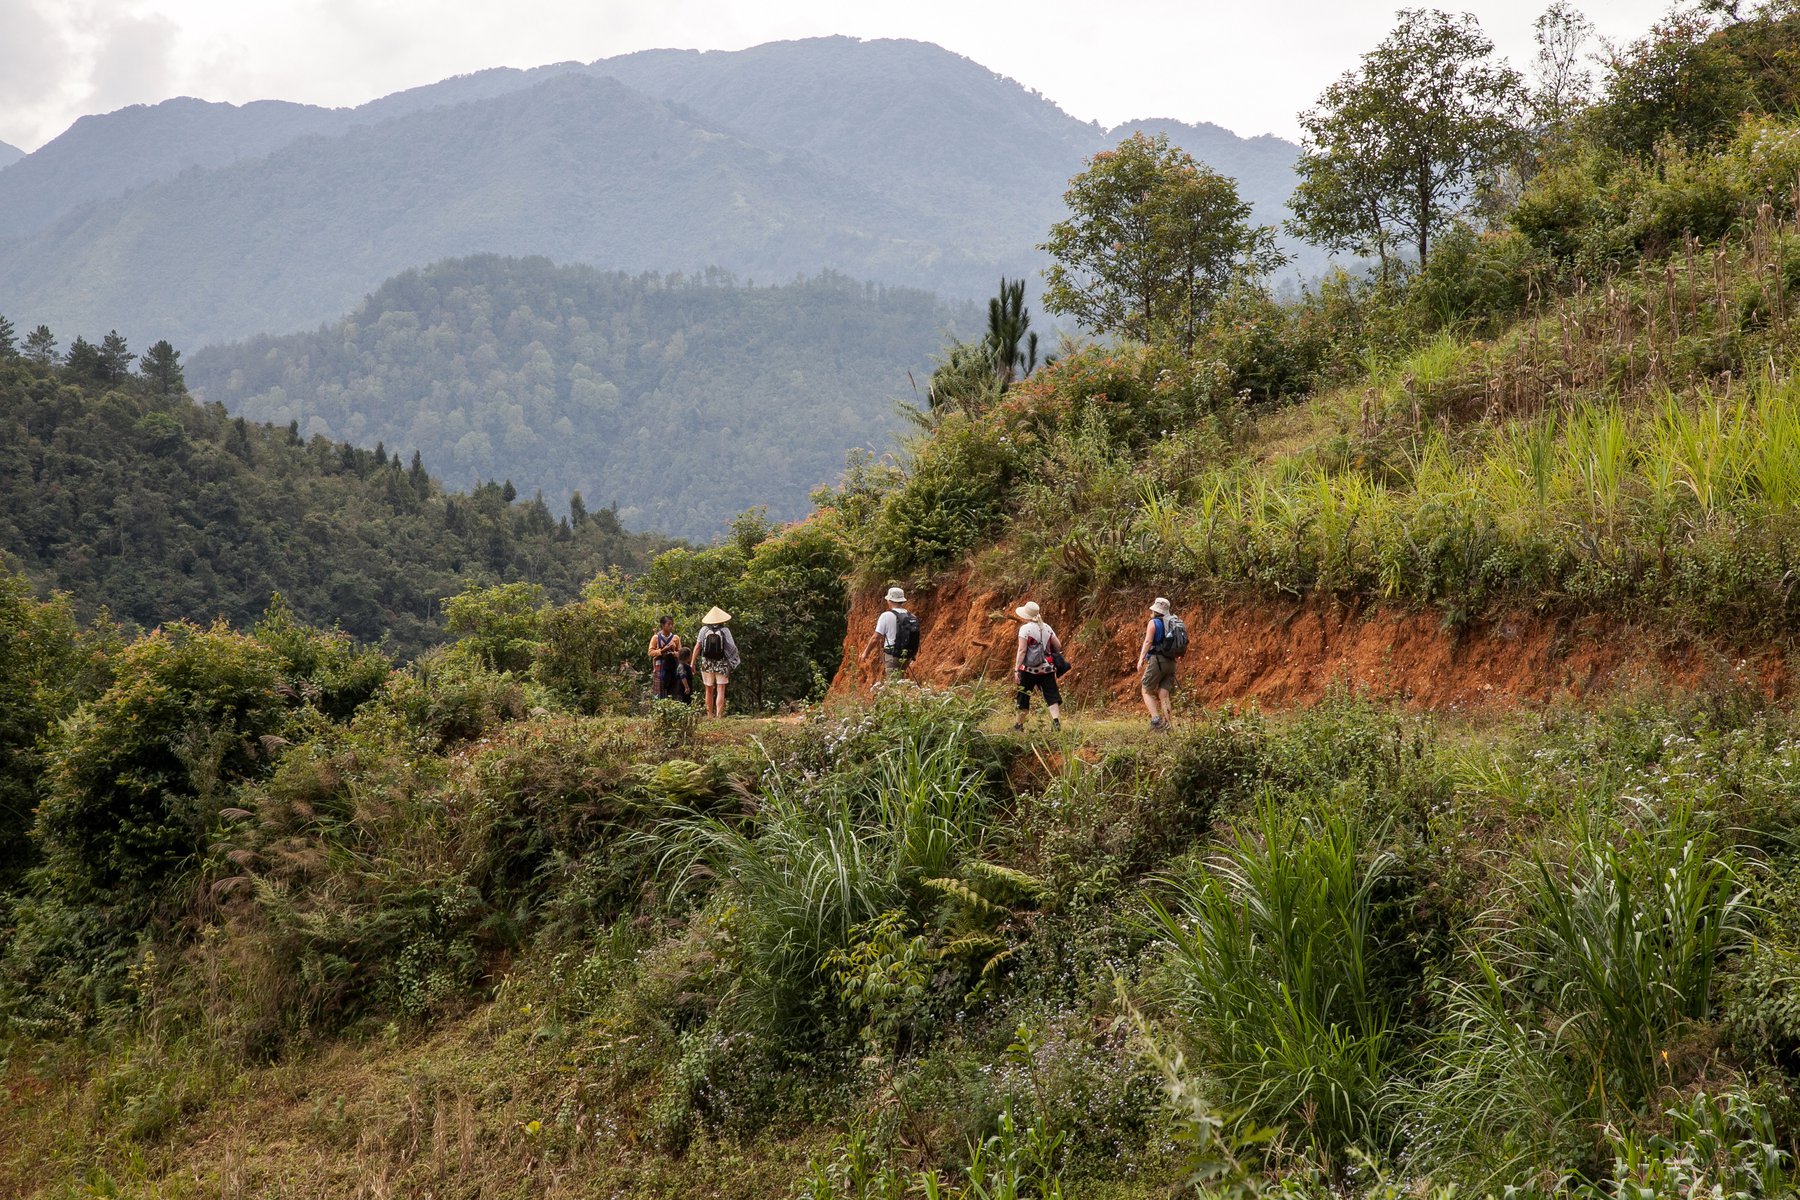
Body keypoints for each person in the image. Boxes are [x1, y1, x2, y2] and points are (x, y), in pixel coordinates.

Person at [1012, 600, 1063, 732]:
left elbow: (1022, 650)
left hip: (1029, 670)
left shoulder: (1025, 629)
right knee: (1051, 695)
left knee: (1023, 695)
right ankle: (1056, 722)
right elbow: (1058, 646)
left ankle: (1019, 726)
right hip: (1047, 669)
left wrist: (1017, 669)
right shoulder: (1046, 627)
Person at [1137, 597, 1183, 732]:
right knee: (1164, 694)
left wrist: (1141, 659)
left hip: (1157, 661)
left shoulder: (1154, 623)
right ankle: (1169, 725)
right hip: (1171, 662)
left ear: (1155, 610)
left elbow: (1148, 642)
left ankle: (1156, 720)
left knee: (1146, 690)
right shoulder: (1174, 623)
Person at [689, 605, 740, 718]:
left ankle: (709, 715)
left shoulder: (704, 630)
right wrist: (733, 660)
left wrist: (692, 662)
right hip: (722, 663)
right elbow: (732, 647)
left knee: (708, 689)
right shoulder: (725, 630)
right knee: (721, 689)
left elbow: (698, 646)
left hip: (706, 662)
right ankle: (719, 716)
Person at [860, 586, 920, 679]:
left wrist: (865, 653)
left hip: (892, 655)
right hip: (907, 655)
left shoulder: (886, 615)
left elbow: (875, 638)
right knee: (900, 682)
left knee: (893, 685)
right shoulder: (910, 615)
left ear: (890, 601)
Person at [647, 615, 686, 701]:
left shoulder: (676, 638)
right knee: (660, 690)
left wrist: (674, 653)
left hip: (672, 666)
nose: (671, 626)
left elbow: (680, 653)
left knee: (673, 687)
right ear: (662, 625)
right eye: (668, 624)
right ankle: (660, 710)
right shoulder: (656, 637)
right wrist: (663, 650)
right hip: (659, 666)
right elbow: (650, 652)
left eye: (672, 624)